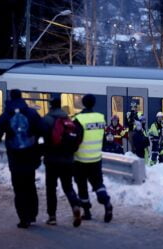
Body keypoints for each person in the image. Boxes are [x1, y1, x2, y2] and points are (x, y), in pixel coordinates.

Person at [0, 89, 43, 229]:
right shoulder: (32, 113)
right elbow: (42, 129)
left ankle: (24, 219)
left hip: (15, 158)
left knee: (19, 189)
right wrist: (40, 148)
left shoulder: (6, 115)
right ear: (22, 97)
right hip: (30, 157)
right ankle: (33, 214)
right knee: (30, 186)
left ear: (10, 98)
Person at [72, 94, 113, 223]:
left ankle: (87, 212)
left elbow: (75, 140)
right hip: (96, 158)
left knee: (82, 186)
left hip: (81, 160)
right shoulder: (100, 118)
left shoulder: (78, 119)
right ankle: (106, 202)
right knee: (98, 184)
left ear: (83, 104)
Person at [42, 98, 82, 227]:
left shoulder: (47, 119)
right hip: (67, 160)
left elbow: (40, 134)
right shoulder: (68, 119)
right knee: (68, 186)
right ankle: (75, 206)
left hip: (51, 160)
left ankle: (52, 217)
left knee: (51, 188)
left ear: (50, 106)